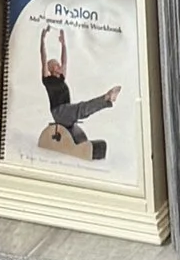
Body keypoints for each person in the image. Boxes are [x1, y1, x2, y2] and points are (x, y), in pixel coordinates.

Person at [36, 23, 119, 160]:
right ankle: (106, 98)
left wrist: (63, 44)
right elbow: (43, 58)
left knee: (81, 110)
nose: (59, 65)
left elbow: (65, 61)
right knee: (81, 108)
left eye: (58, 64)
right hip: (58, 111)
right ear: (50, 69)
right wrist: (43, 39)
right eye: (55, 65)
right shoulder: (47, 80)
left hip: (65, 111)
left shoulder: (62, 78)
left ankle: (107, 100)